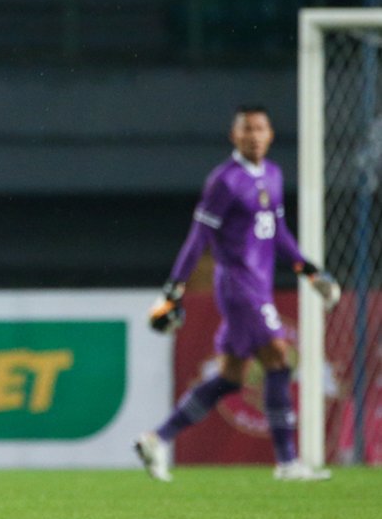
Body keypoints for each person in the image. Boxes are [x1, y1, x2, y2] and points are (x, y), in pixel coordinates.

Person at [136, 105, 340, 482]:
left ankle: (157, 438)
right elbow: (199, 237)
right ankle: (287, 463)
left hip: (257, 286)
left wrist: (310, 271)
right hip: (239, 286)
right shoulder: (225, 181)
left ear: (270, 134)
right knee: (279, 359)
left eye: (260, 129)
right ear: (234, 136)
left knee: (230, 376)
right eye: (246, 129)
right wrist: (175, 287)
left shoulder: (274, 175)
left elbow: (277, 233)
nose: (254, 136)